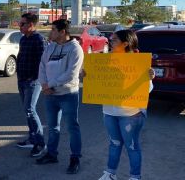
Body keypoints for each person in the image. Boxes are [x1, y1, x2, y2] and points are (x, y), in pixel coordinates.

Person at [97, 30, 155, 180]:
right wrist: (86, 75)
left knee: (132, 146)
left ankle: (135, 177)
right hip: (109, 112)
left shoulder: (137, 61)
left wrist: (147, 78)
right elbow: (98, 83)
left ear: (125, 44)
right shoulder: (105, 60)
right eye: (110, 39)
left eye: (114, 40)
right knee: (114, 144)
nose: (110, 42)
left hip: (131, 114)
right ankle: (110, 173)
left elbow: (148, 89)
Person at [36, 19, 83, 174]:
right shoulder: (51, 47)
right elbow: (42, 66)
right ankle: (51, 154)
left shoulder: (75, 49)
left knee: (72, 127)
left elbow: (71, 74)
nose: (51, 33)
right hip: (50, 95)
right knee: (52, 127)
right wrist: (44, 84)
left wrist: (51, 84)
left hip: (68, 94)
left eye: (54, 30)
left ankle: (75, 158)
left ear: (63, 32)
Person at [16, 13, 46, 157]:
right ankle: (32, 138)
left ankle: (40, 143)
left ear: (31, 25)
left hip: (33, 81)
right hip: (21, 79)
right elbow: (21, 56)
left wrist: (34, 78)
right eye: (19, 23)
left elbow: (42, 62)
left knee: (30, 109)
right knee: (26, 110)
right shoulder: (23, 39)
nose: (19, 26)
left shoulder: (39, 39)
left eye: (22, 24)